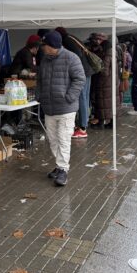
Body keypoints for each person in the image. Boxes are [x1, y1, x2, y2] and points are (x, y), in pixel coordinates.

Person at [38, 31, 85, 187]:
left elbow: (80, 79)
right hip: (49, 107)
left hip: (66, 108)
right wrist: (40, 95)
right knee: (53, 139)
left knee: (63, 139)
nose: (42, 48)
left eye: (44, 45)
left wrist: (69, 97)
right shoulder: (45, 59)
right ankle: (59, 166)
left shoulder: (72, 58)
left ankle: (63, 169)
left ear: (52, 46)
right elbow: (40, 79)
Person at [55, 27, 93, 139]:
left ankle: (82, 128)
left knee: (81, 98)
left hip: (82, 72)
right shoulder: (72, 37)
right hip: (87, 71)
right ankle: (84, 124)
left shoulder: (67, 40)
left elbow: (77, 55)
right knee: (85, 98)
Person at [90, 33, 117, 128]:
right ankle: (112, 123)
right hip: (112, 81)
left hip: (104, 82)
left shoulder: (106, 54)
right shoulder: (113, 53)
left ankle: (100, 123)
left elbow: (104, 71)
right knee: (110, 103)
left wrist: (97, 70)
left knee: (102, 103)